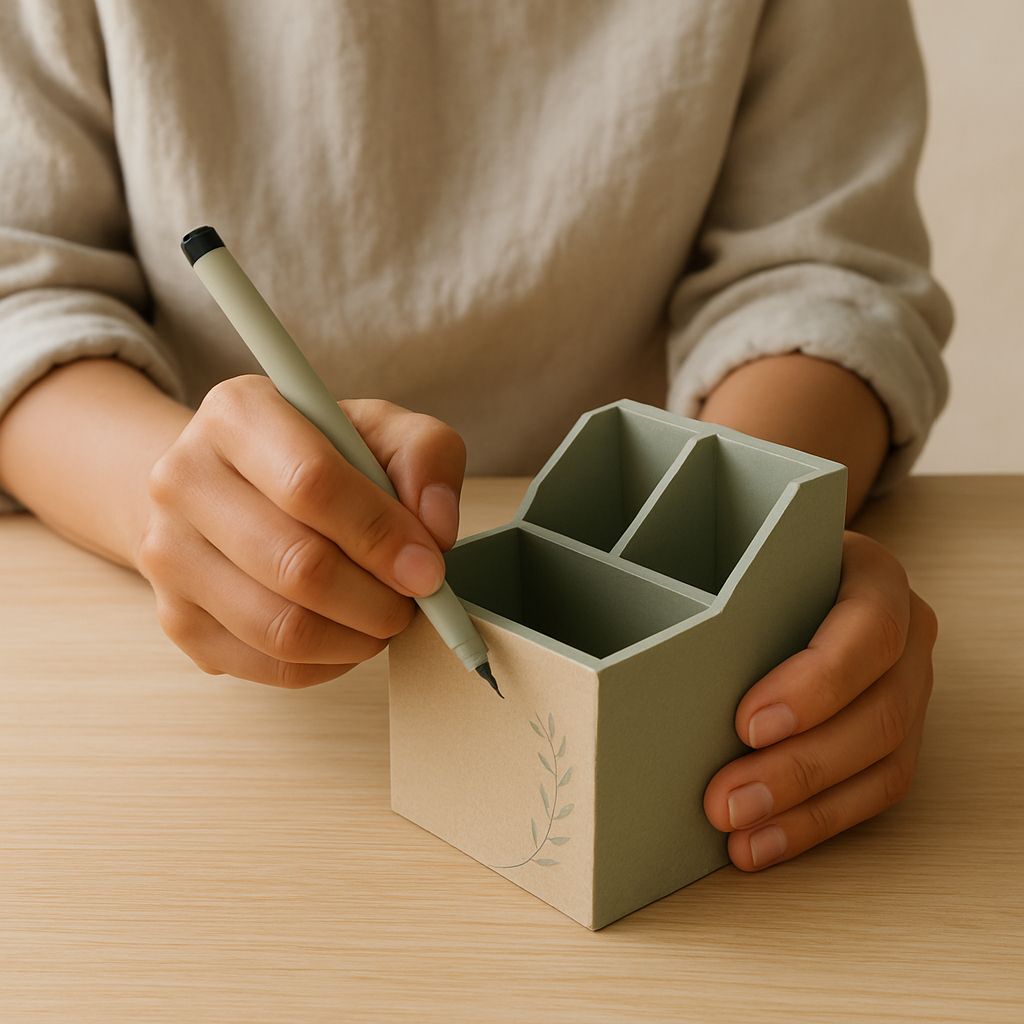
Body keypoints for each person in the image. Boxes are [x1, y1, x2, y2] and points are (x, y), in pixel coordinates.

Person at [0, 0, 949, 874]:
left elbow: (818, 277)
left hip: (638, 504)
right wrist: (179, 504)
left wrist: (759, 561)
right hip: (184, 695)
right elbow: (23, 288)